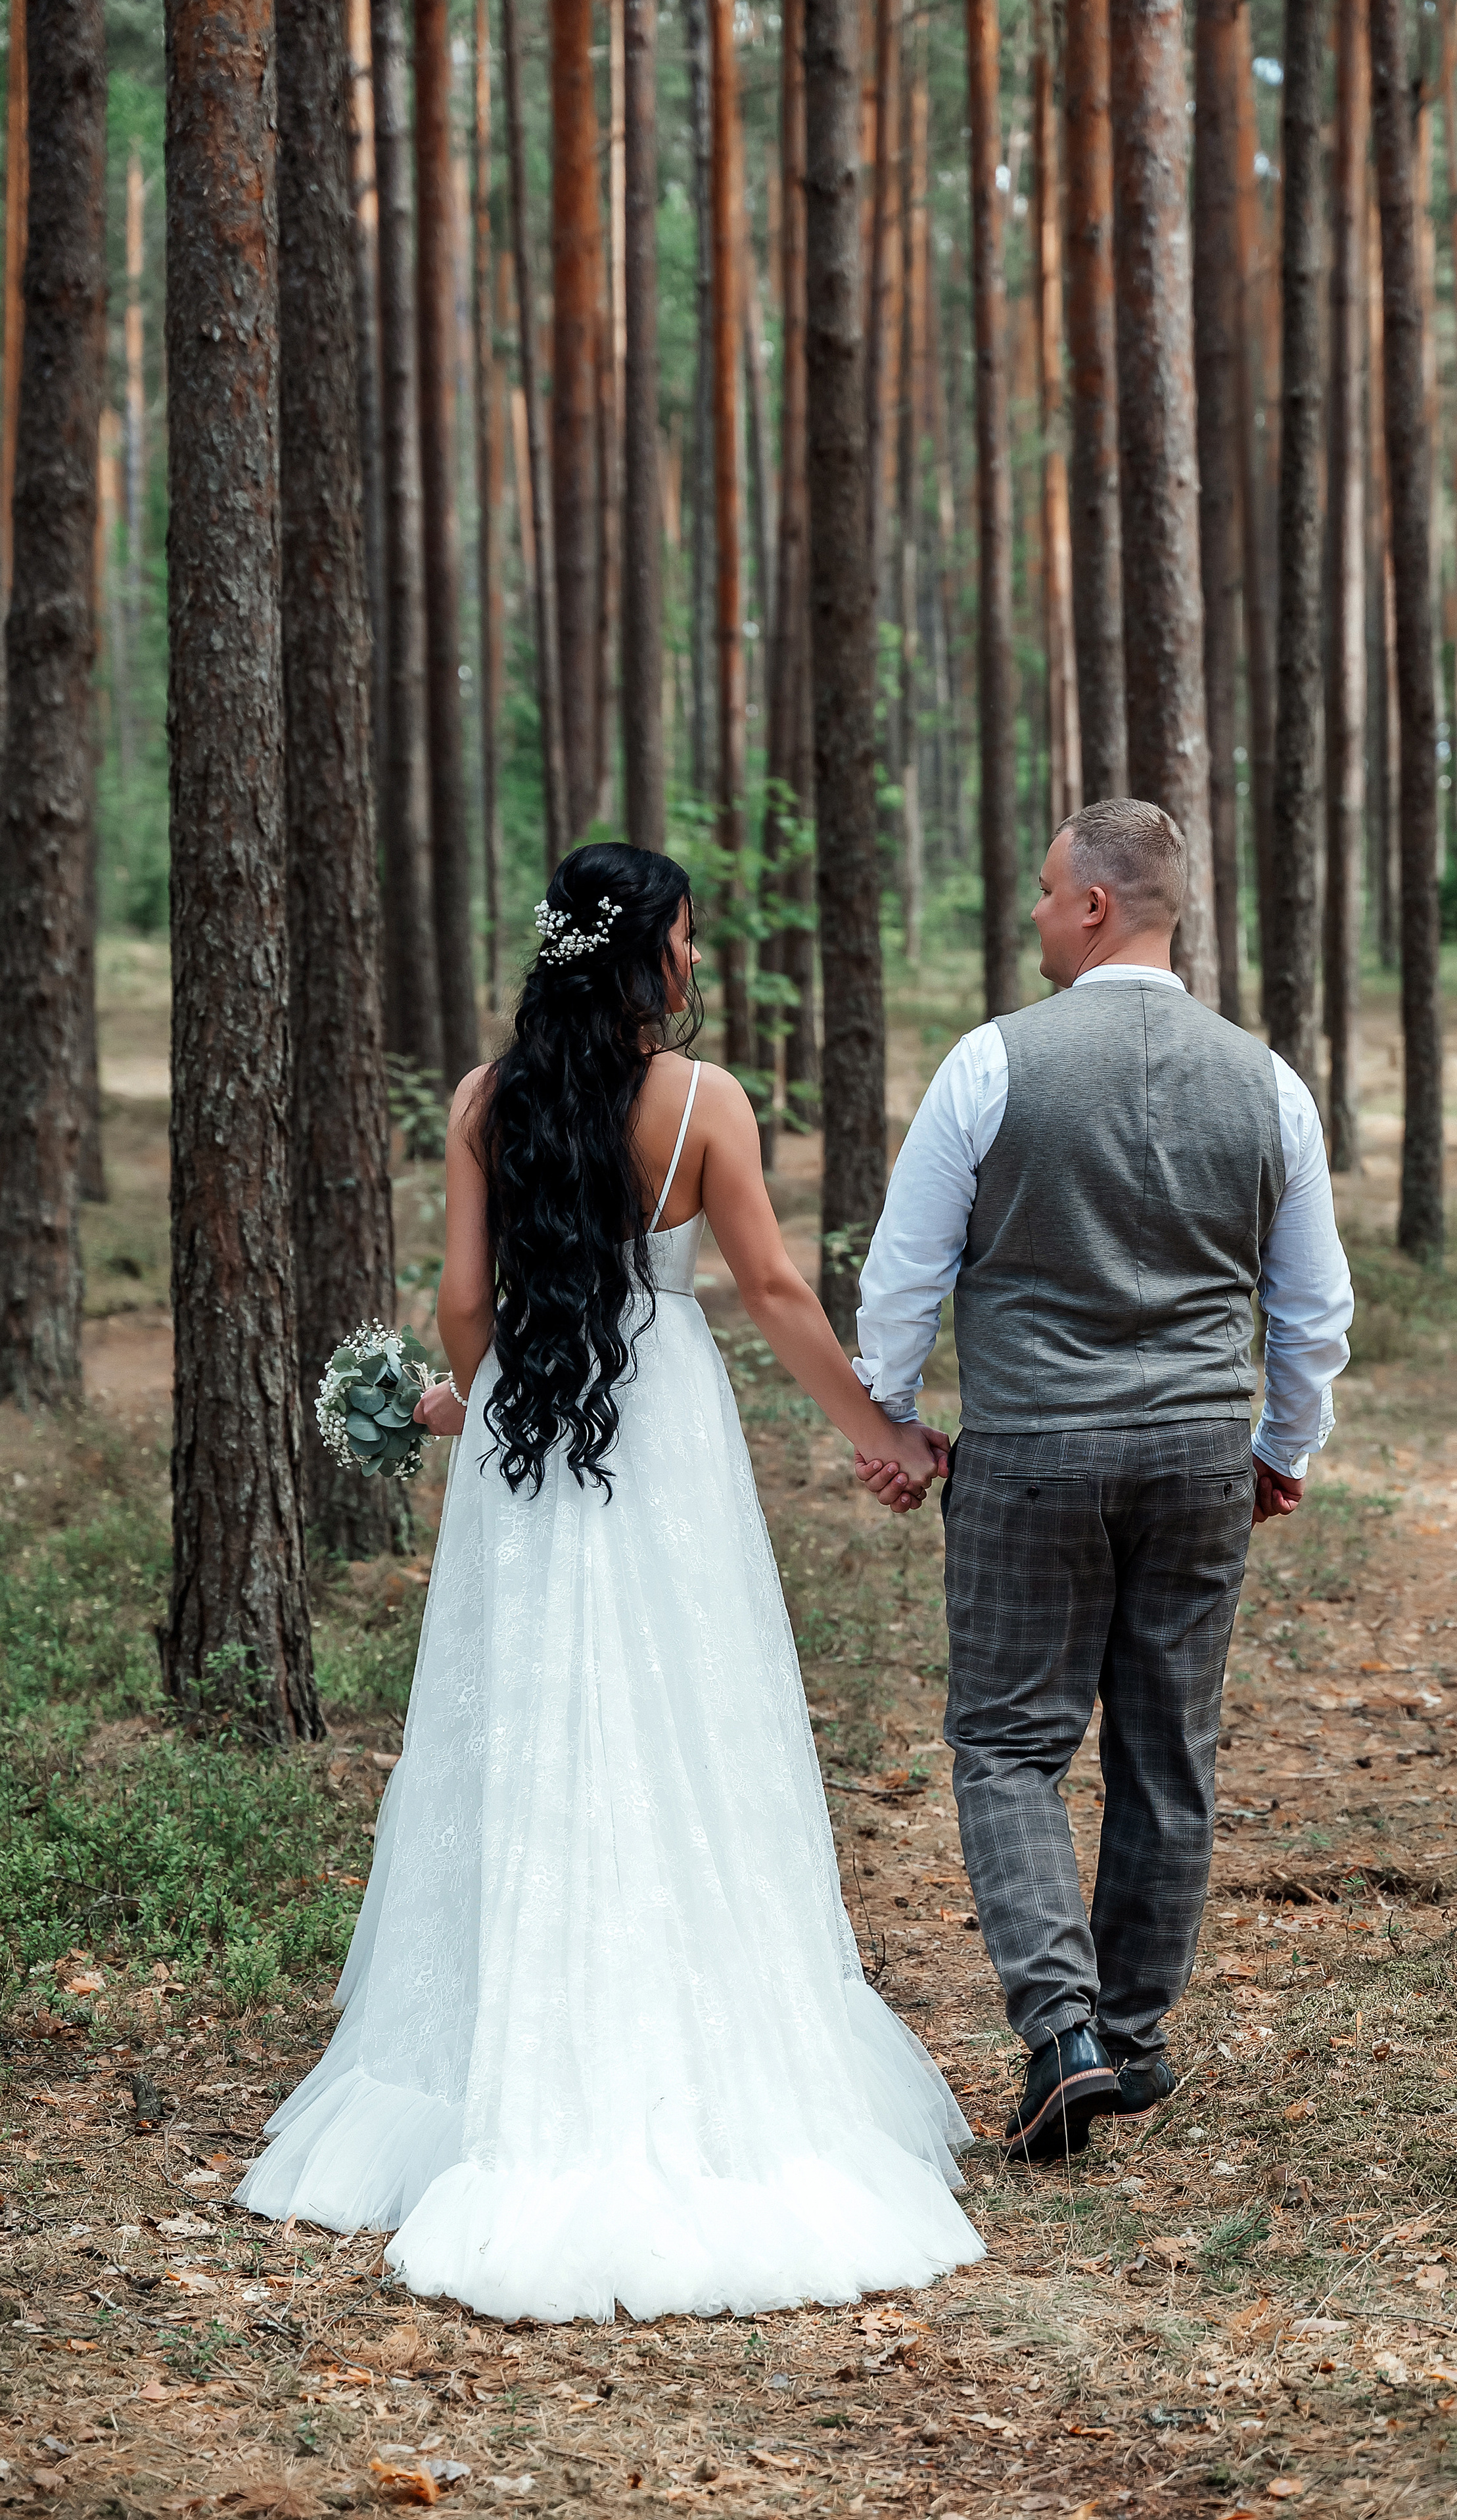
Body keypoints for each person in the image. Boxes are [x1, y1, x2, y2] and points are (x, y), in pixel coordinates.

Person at [238, 841, 983, 2322]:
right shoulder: (704, 1104)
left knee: (519, 1720)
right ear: (644, 953)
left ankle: (497, 2056)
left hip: (531, 1434)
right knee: (690, 1707)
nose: (697, 964)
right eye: (688, 940)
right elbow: (766, 1288)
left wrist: (496, 1395)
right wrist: (880, 1436)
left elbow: (460, 1301)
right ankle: (697, 2033)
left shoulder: (481, 1098)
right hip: (662, 1434)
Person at [851, 797, 1353, 2166]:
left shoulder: (988, 1065)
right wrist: (1278, 1448)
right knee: (1162, 1747)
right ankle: (1128, 2038)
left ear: (1092, 906)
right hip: (1197, 1449)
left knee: (1009, 1743)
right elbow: (1310, 1306)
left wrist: (891, 1422)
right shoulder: (1266, 1082)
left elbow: (904, 1275)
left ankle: (1062, 2034)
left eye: (1039, 888)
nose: (1028, 912)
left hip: (1028, 1451)